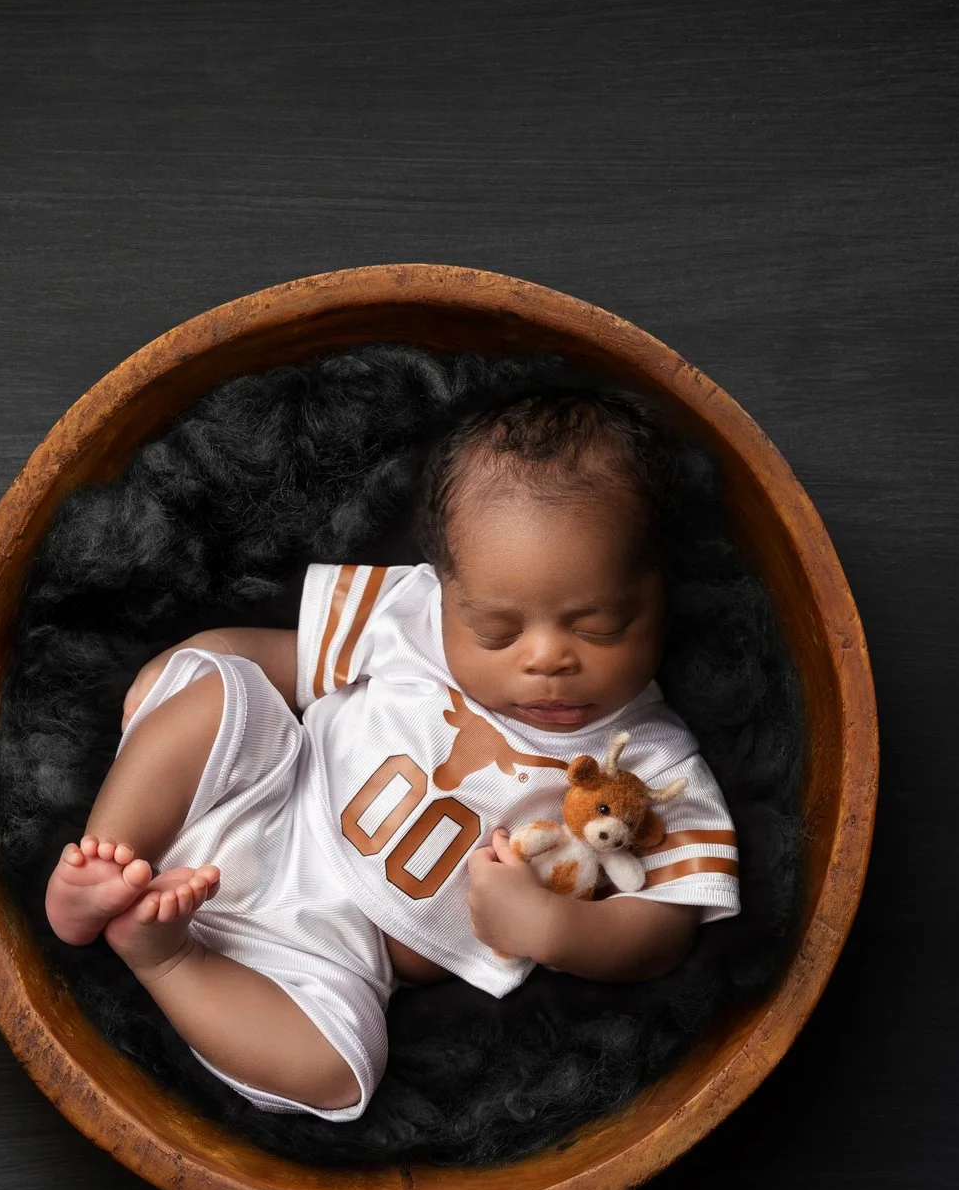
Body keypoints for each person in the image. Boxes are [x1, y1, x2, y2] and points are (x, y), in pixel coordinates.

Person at [43, 388, 742, 1120]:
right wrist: (185, 668)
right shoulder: (412, 612)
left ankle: (167, 958)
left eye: (598, 627)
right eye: (497, 632)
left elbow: (664, 929)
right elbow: (289, 659)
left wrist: (552, 927)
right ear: (445, 590)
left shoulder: (657, 769)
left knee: (343, 1067)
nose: (546, 659)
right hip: (272, 792)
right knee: (220, 690)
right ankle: (105, 862)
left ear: (660, 592)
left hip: (334, 950)